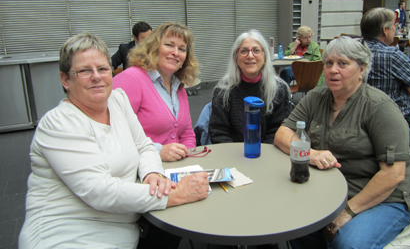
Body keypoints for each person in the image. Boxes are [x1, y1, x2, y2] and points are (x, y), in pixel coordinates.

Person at [18, 33, 209, 249]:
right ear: (65, 80)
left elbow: (144, 146)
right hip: (68, 236)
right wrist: (177, 193)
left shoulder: (117, 100)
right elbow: (100, 191)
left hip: (124, 229)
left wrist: (152, 173)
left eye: (102, 68)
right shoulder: (58, 123)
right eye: (84, 71)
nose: (96, 76)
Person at [274, 36, 410, 249]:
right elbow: (282, 133)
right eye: (328, 63)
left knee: (348, 243)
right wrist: (313, 153)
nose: (333, 70)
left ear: (362, 69)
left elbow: (394, 174)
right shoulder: (316, 97)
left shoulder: (379, 107)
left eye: (343, 63)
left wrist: (348, 211)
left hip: (389, 197)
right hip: (337, 188)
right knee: (297, 220)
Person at [113, 22, 197, 162]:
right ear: (154, 47)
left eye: (182, 49)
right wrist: (157, 151)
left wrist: (186, 159)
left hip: (176, 170)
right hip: (142, 170)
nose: (175, 52)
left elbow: (187, 133)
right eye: (169, 45)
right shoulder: (131, 79)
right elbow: (115, 133)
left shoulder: (179, 86)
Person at [209, 29, 291, 144]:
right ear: (236, 58)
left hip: (268, 154)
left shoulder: (279, 89)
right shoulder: (223, 90)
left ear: (265, 58)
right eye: (244, 51)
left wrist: (260, 154)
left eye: (256, 50)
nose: (250, 56)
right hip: (232, 155)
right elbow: (218, 132)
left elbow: (279, 130)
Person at [361, 7, 410, 134]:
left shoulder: (353, 50)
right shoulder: (391, 55)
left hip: (360, 116)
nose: (396, 28)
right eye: (394, 25)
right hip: (397, 119)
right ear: (385, 30)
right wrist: (407, 83)